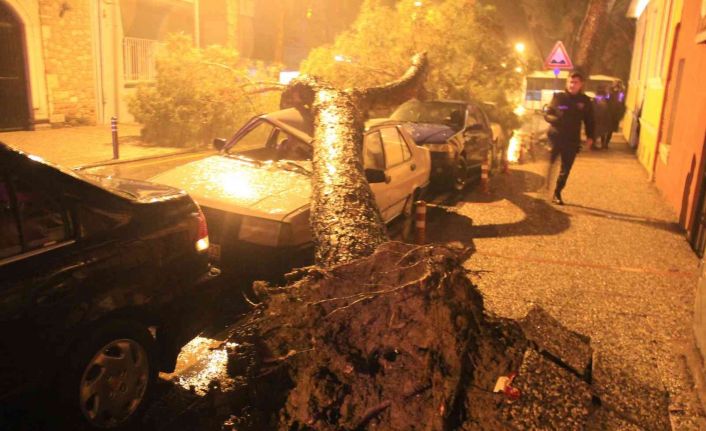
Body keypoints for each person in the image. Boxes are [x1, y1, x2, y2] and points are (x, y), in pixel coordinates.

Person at [544, 71, 595, 205]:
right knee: (551, 163)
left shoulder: (584, 101)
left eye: (575, 82)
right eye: (570, 82)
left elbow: (590, 120)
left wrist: (590, 137)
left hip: (572, 140)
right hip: (556, 136)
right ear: (567, 83)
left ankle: (557, 192)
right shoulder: (558, 97)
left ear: (581, 84)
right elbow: (547, 114)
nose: (572, 85)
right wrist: (555, 119)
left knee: (566, 168)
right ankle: (545, 187)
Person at [605, 81, 626, 149]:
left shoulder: (620, 94)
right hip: (608, 113)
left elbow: (620, 103)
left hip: (614, 114)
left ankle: (606, 143)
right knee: (606, 129)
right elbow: (606, 100)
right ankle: (604, 143)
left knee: (610, 130)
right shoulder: (609, 92)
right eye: (616, 85)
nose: (617, 87)